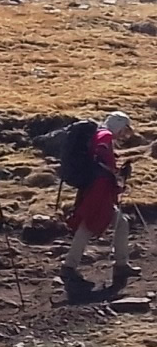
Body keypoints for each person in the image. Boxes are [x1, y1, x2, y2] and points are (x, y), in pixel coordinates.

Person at [62, 111, 140, 286]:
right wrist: (116, 174)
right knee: (89, 224)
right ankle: (69, 267)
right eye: (124, 129)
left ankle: (120, 264)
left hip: (96, 188)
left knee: (118, 222)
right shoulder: (105, 136)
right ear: (118, 125)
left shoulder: (100, 134)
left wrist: (116, 174)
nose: (124, 134)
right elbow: (101, 158)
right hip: (99, 190)